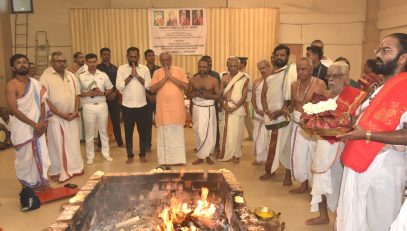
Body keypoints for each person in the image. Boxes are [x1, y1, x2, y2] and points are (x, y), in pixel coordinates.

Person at [336, 33, 407, 231]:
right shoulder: (380, 86)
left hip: (385, 168)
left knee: (378, 224)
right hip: (361, 162)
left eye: (386, 50)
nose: (378, 54)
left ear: (403, 58)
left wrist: (366, 135)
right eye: (378, 49)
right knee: (356, 218)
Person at [306, 62, 365, 225]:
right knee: (319, 178)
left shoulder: (357, 95)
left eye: (335, 76)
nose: (331, 79)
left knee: (339, 183)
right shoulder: (325, 95)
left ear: (346, 77)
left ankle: (341, 217)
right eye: (329, 76)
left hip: (343, 145)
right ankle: (323, 215)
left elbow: (359, 120)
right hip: (324, 143)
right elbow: (313, 117)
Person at [5, 54, 50, 190]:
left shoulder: (35, 83)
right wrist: (34, 124)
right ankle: (27, 185)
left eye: (25, 62)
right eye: (18, 63)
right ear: (13, 68)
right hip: (23, 127)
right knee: (24, 159)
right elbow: (13, 109)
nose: (22, 64)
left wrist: (41, 121)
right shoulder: (11, 85)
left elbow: (42, 103)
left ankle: (40, 183)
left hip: (38, 125)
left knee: (42, 155)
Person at [40, 51, 84, 182]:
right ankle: (58, 171)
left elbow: (77, 94)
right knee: (58, 146)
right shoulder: (45, 77)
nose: (62, 63)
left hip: (71, 117)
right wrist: (61, 114)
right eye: (58, 61)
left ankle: (75, 168)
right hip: (56, 118)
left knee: (73, 144)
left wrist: (76, 110)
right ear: (51, 62)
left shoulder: (71, 75)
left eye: (64, 61)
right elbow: (46, 100)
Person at [259, 45, 297, 183]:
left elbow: (293, 96)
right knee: (272, 144)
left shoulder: (291, 72)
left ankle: (283, 172)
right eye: (277, 55)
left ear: (287, 56)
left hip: (284, 114)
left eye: (282, 55)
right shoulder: (270, 74)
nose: (279, 57)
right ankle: (274, 171)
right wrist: (266, 110)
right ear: (273, 56)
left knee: (285, 145)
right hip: (271, 115)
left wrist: (279, 112)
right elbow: (263, 95)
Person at [289, 57, 326, 193]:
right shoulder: (294, 85)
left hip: (312, 124)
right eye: (298, 69)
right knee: (298, 155)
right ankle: (303, 184)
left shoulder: (320, 84)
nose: (300, 71)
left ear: (311, 70)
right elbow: (293, 103)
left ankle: (313, 187)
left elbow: (323, 105)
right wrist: (287, 109)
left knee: (312, 154)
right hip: (297, 122)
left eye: (303, 69)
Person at [150, 52, 188, 166]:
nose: (165, 62)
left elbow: (186, 86)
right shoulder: (157, 73)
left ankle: (178, 159)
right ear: (160, 61)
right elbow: (152, 89)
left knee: (177, 135)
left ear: (171, 59)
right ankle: (165, 160)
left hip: (177, 110)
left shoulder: (179, 70)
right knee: (164, 136)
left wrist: (171, 77)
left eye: (167, 60)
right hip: (163, 111)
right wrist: (164, 79)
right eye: (163, 60)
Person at [116, 47, 151, 164]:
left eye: (135, 56)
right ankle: (130, 155)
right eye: (131, 56)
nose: (133, 59)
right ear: (127, 56)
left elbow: (149, 86)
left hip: (142, 106)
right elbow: (119, 86)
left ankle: (142, 154)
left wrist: (138, 76)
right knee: (128, 132)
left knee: (143, 132)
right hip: (127, 107)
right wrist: (131, 76)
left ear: (139, 57)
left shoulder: (145, 69)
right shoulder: (121, 69)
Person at [79, 53, 114, 165]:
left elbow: (110, 89)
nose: (92, 64)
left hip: (102, 104)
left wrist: (102, 92)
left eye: (94, 62)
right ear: (86, 62)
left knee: (103, 131)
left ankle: (106, 154)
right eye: (90, 62)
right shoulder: (81, 76)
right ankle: (90, 156)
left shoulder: (103, 75)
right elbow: (78, 93)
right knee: (89, 133)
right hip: (88, 106)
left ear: (96, 62)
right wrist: (88, 93)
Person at [186, 59, 220, 165]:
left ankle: (209, 156)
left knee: (210, 132)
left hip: (209, 108)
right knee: (198, 131)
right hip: (197, 108)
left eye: (204, 67)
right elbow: (188, 95)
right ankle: (200, 156)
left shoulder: (213, 80)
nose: (202, 69)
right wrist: (195, 93)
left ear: (208, 67)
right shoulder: (193, 80)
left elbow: (218, 95)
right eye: (200, 67)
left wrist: (208, 96)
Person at [217, 57, 249, 163]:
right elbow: (220, 94)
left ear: (239, 66)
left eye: (235, 66)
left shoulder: (244, 77)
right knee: (225, 132)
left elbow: (244, 96)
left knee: (238, 133)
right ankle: (225, 153)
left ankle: (236, 154)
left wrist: (235, 107)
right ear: (227, 66)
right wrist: (223, 104)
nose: (232, 68)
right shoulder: (223, 77)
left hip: (237, 108)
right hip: (225, 107)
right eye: (230, 66)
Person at [97, 47, 124, 148]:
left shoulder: (115, 68)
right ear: (101, 56)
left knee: (116, 121)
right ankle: (100, 144)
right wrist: (105, 94)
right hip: (102, 98)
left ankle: (120, 142)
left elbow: (119, 83)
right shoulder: (97, 68)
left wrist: (114, 93)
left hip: (114, 97)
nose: (107, 56)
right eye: (104, 54)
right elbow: (97, 84)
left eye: (108, 54)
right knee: (102, 121)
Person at [251, 60, 271, 165]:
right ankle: (258, 158)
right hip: (258, 114)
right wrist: (257, 109)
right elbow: (253, 98)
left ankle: (268, 159)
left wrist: (267, 112)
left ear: (269, 67)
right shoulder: (257, 82)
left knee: (268, 138)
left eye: (264, 68)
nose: (262, 70)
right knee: (257, 136)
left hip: (269, 115)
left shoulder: (273, 81)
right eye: (260, 69)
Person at [201, 55, 221, 154]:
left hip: (213, 104)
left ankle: (216, 145)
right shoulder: (197, 75)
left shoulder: (216, 75)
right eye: (207, 63)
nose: (210, 64)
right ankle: (202, 145)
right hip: (200, 106)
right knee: (202, 126)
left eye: (210, 63)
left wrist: (220, 104)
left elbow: (219, 92)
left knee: (214, 125)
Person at [68, 51, 88, 142]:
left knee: (85, 117)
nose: (83, 59)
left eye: (83, 57)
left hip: (85, 95)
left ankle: (85, 137)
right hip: (73, 95)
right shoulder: (69, 70)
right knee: (76, 117)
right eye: (80, 57)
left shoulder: (87, 69)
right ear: (75, 59)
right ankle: (77, 137)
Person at [144, 49, 161, 151]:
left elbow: (163, 84)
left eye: (153, 55)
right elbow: (140, 85)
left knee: (160, 122)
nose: (152, 57)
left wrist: (156, 96)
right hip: (146, 98)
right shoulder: (142, 69)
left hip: (158, 98)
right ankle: (147, 144)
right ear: (145, 58)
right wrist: (148, 96)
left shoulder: (160, 69)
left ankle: (162, 144)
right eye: (149, 55)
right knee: (147, 123)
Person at [238, 56, 254, 141]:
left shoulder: (245, 75)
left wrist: (246, 101)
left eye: (239, 63)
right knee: (245, 118)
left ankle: (253, 134)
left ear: (243, 64)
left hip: (245, 99)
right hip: (241, 99)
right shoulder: (239, 73)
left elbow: (249, 88)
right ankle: (252, 134)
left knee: (247, 117)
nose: (237, 64)